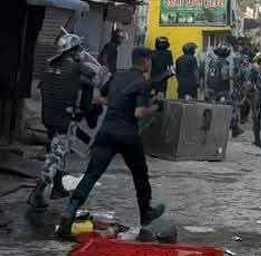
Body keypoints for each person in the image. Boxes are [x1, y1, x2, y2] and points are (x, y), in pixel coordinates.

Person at [57, 46, 165, 239]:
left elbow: (98, 98)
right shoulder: (142, 82)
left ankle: (69, 211)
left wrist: (115, 103)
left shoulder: (117, 75)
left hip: (106, 132)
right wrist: (156, 107)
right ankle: (146, 214)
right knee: (140, 175)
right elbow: (138, 113)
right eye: (150, 60)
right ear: (145, 61)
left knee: (91, 174)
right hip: (127, 135)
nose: (151, 63)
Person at [30, 33, 102, 210]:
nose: (81, 52)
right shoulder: (77, 67)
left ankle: (58, 187)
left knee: (56, 150)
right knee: (56, 155)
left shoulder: (49, 64)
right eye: (79, 49)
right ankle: (37, 193)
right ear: (74, 50)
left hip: (48, 116)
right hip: (63, 119)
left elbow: (44, 87)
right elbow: (95, 77)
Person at [203, 44, 243, 137]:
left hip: (210, 88)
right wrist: (234, 76)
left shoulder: (212, 61)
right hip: (222, 89)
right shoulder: (224, 63)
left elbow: (207, 74)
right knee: (231, 107)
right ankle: (235, 128)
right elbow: (225, 76)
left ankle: (207, 128)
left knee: (211, 108)